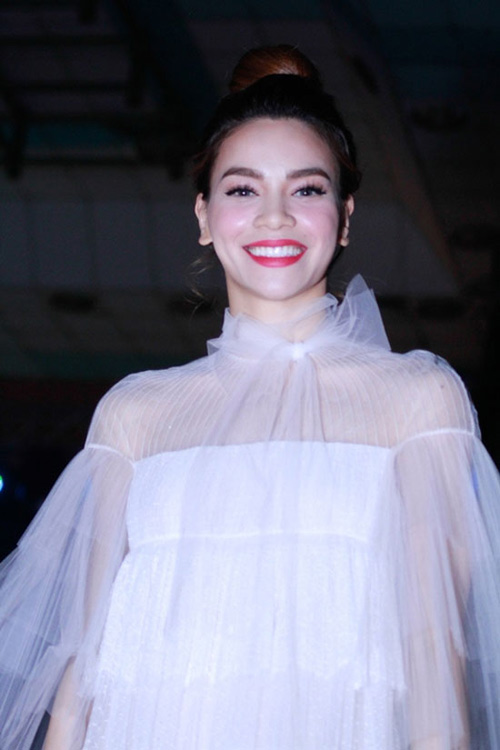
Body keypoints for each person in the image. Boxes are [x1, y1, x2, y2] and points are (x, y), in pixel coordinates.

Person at [1, 44, 500, 750]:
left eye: (307, 190)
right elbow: (81, 679)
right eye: (242, 191)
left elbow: (433, 662)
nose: (274, 217)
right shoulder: (136, 415)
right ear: (203, 215)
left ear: (345, 216)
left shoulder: (417, 402)